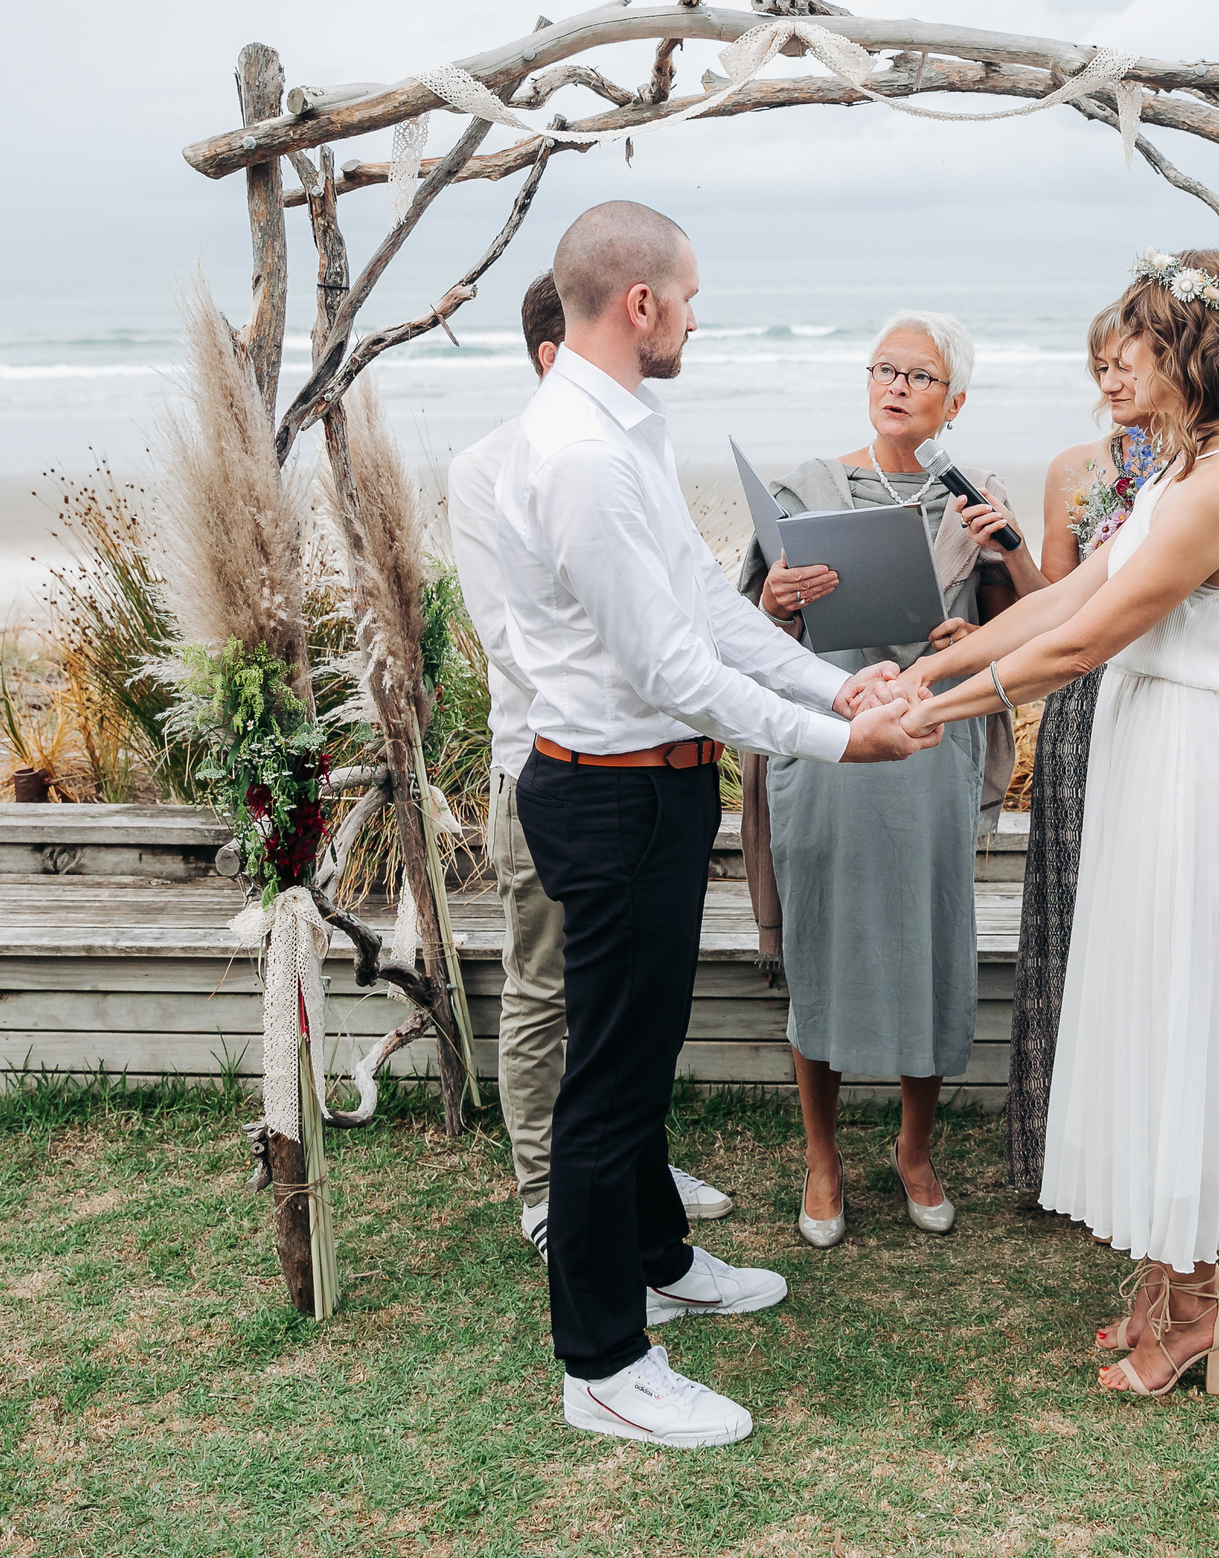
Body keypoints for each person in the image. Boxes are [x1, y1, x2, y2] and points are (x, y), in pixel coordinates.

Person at [490, 201, 941, 1448]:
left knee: (638, 1063)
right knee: (608, 1084)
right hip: (611, 786)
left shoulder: (624, 426)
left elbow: (704, 603)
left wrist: (832, 680)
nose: (694, 314)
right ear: (640, 303)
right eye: (687, 295)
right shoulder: (579, 452)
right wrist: (844, 738)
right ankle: (601, 1362)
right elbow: (671, 666)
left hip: (656, 784)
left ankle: (659, 1259)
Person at [895, 249, 1219, 1398]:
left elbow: (1084, 645)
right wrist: (922, 678)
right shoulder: (1186, 469)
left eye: (1135, 341)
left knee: (1176, 1017)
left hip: (1189, 766)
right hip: (1151, 755)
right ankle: (1161, 1283)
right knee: (1142, 1007)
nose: (1114, 361)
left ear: (1191, 350)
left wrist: (936, 709)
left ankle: (1197, 1315)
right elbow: (1064, 597)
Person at [444, 271, 734, 1266]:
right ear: (551, 356)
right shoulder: (491, 471)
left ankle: (629, 1177)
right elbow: (516, 641)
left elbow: (680, 600)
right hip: (547, 766)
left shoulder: (627, 454)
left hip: (644, 762)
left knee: (627, 1005)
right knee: (544, 988)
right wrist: (671, 681)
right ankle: (545, 1191)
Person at [734, 311, 1040, 1247]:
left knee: (929, 941)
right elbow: (746, 637)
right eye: (885, 368)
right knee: (821, 943)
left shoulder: (968, 504)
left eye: (921, 374)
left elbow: (1032, 625)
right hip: (831, 748)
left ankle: (915, 1150)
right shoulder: (805, 490)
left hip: (926, 747)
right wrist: (774, 601)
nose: (898, 385)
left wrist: (996, 578)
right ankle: (822, 1158)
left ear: (955, 400)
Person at [1002, 305, 1162, 1196]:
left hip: (1170, 700)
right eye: (1096, 365)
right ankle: (1057, 1150)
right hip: (1080, 701)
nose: (1107, 381)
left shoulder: (1211, 471)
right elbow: (1057, 598)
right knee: (1069, 908)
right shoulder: (1075, 469)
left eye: (1122, 361)